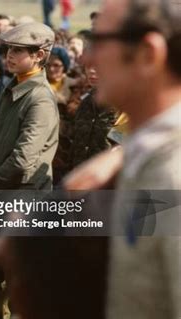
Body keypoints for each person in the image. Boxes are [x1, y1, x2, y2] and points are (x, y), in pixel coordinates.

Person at [88, 1, 181, 318]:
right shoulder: (144, 158)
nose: (87, 57)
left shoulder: (173, 174)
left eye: (100, 42)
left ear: (148, 54)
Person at [0, 22, 59, 318]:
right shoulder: (13, 86)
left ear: (40, 55)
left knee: (23, 292)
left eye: (19, 50)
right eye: (9, 49)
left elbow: (24, 159)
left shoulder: (40, 98)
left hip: (22, 203)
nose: (10, 55)